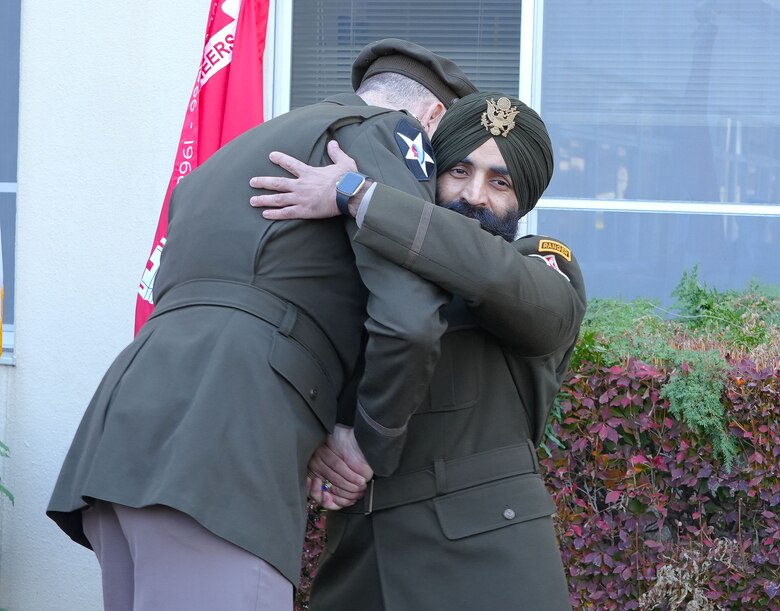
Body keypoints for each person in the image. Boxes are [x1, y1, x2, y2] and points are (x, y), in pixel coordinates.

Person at [46, 39, 477, 611]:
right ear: (431, 120)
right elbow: (408, 321)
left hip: (124, 441)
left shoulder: (226, 158)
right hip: (227, 446)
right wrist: (366, 439)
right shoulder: (387, 136)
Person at [249, 91, 587, 610]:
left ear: (525, 200)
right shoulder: (379, 271)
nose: (474, 195)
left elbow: (486, 274)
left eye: (500, 182)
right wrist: (320, 436)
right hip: (360, 556)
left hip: (487, 568)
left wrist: (359, 196)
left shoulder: (538, 265)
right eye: (458, 170)